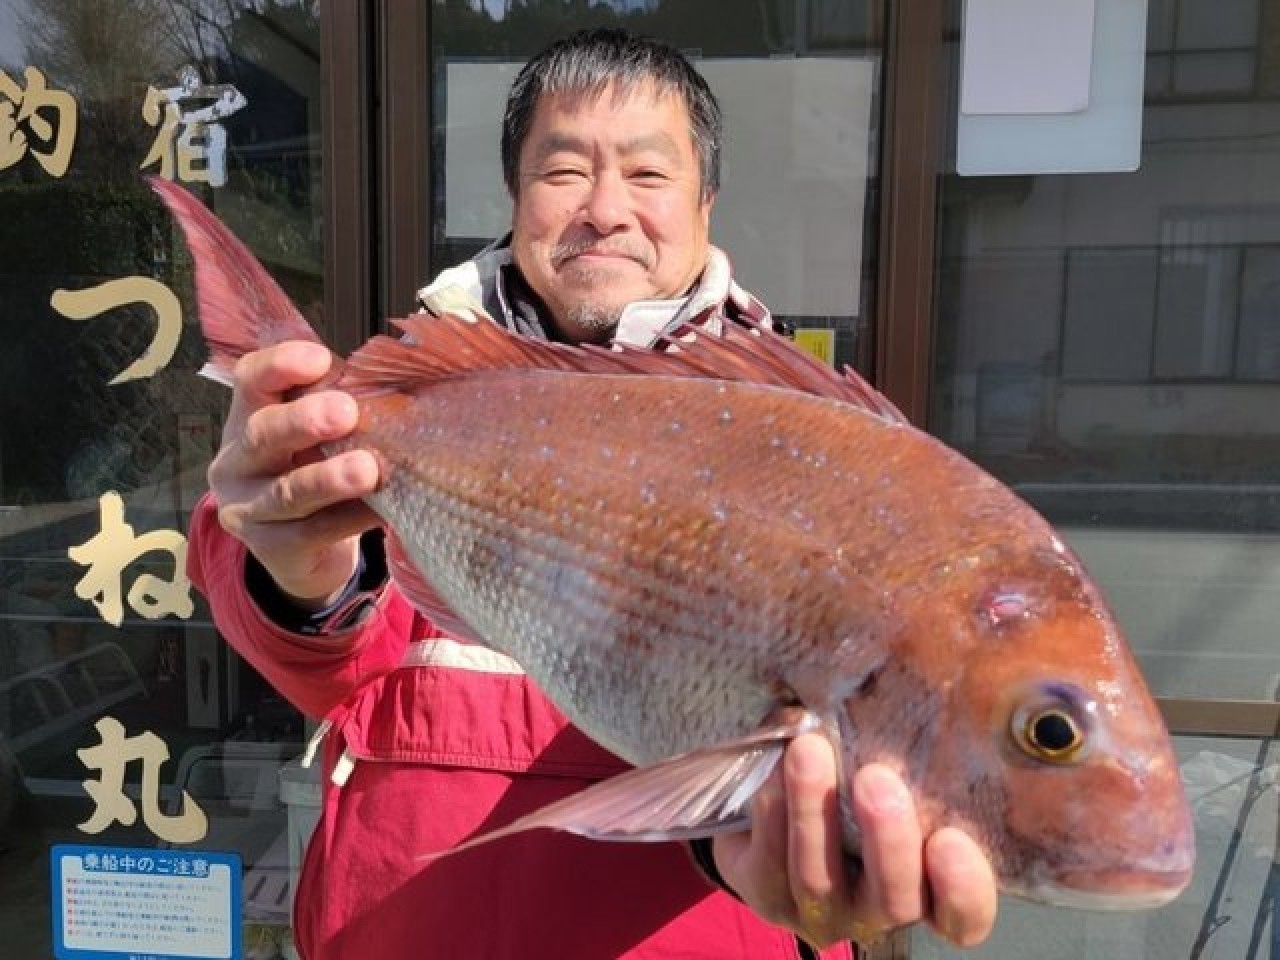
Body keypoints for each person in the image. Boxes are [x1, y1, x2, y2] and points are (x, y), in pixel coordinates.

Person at [188, 27, 998, 960]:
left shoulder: (808, 439)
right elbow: (324, 668)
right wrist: (298, 565)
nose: (604, 209)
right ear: (517, 197)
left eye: (648, 175)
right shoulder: (417, 393)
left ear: (707, 201)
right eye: (563, 171)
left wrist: (828, 843)